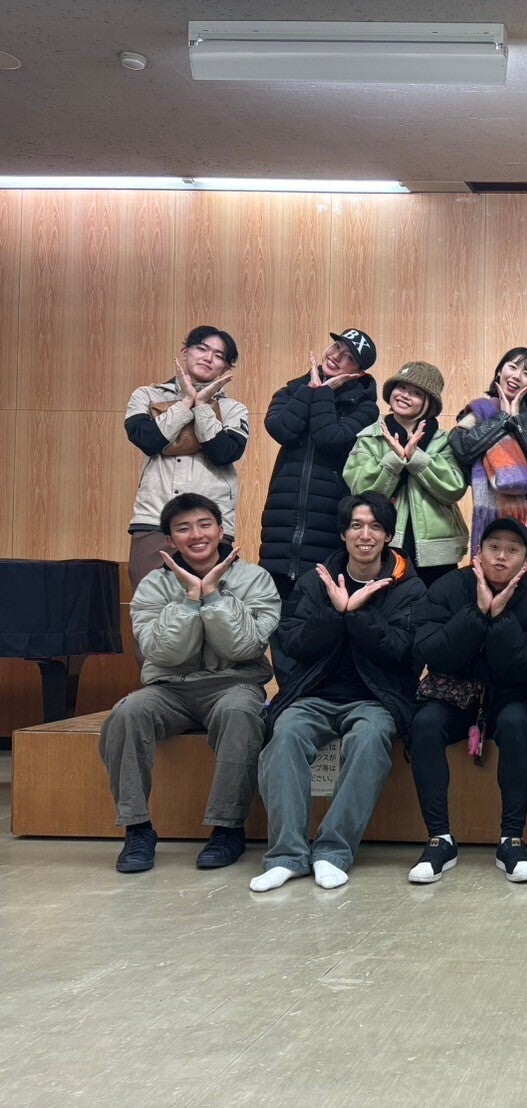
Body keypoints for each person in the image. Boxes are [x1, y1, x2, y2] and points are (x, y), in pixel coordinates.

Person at [250, 492, 427, 892]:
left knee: (369, 739)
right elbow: (293, 643)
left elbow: (403, 653)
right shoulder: (316, 581)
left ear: (388, 536)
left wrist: (358, 613)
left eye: (376, 527)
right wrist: (335, 612)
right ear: (344, 533)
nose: (366, 535)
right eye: (357, 526)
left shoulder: (409, 588)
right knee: (285, 735)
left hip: (376, 698)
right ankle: (287, 856)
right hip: (314, 694)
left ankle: (332, 852)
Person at [100, 493, 280, 873]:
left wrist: (212, 596)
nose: (196, 535)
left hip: (234, 684)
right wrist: (188, 601)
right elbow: (161, 654)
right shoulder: (154, 585)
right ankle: (137, 830)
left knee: (240, 712)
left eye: (204, 525)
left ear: (221, 530)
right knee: (127, 713)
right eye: (183, 529)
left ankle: (227, 829)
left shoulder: (255, 579)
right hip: (170, 687)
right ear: (170, 540)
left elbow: (244, 647)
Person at [406, 518, 527, 884]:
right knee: (425, 724)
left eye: (512, 550)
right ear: (478, 552)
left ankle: (512, 840)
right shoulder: (448, 587)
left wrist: (500, 616)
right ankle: (439, 839)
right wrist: (476, 613)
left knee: (516, 723)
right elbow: (431, 652)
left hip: (510, 695)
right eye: (494, 547)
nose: (501, 557)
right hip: (454, 692)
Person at [260, 328, 380, 613]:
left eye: (348, 357)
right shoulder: (292, 390)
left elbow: (331, 437)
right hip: (282, 518)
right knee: (274, 612)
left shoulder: (365, 409)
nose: (336, 356)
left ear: (358, 373)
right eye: (336, 347)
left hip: (327, 520)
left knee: (316, 613)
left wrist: (323, 392)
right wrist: (310, 389)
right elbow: (281, 429)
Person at [124, 326, 250, 588]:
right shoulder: (146, 395)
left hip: (211, 523)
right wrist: (185, 403)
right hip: (154, 518)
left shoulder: (234, 409)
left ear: (225, 368)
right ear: (185, 352)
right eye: (201, 349)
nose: (208, 358)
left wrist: (202, 405)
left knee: (211, 603)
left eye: (219, 355)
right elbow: (147, 440)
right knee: (150, 602)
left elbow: (224, 453)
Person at [344, 360, 469, 586]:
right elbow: (360, 491)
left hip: (437, 550)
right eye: (401, 387)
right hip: (384, 544)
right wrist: (395, 459)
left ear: (429, 403)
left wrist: (416, 458)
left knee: (438, 603)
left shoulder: (444, 440)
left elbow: (454, 489)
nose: (404, 396)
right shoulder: (369, 437)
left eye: (416, 393)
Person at [448, 346, 527, 588]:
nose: (517, 376)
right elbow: (462, 448)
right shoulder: (479, 410)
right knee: (490, 578)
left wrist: (517, 421)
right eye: (513, 367)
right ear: (500, 371)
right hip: (491, 507)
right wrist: (502, 419)